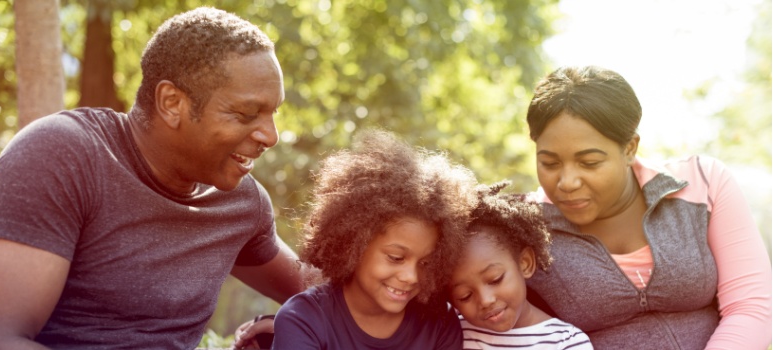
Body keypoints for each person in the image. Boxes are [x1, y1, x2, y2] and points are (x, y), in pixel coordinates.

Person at [0, 7, 314, 349]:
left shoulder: (240, 202)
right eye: (246, 114)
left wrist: (295, 322)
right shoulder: (63, 157)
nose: (271, 136)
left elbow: (330, 297)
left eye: (274, 112)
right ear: (171, 102)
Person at [523, 65, 771, 349]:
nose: (566, 182)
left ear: (629, 148)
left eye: (589, 162)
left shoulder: (703, 184)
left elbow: (751, 308)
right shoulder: (526, 227)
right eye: (550, 163)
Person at [269, 130, 477, 349]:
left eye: (425, 263)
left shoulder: (439, 322)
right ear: (354, 244)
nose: (411, 277)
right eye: (396, 258)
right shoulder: (304, 319)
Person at [449, 181, 592, 350]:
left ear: (525, 263)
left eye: (495, 280)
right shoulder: (453, 332)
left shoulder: (565, 341)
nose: (486, 301)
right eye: (465, 296)